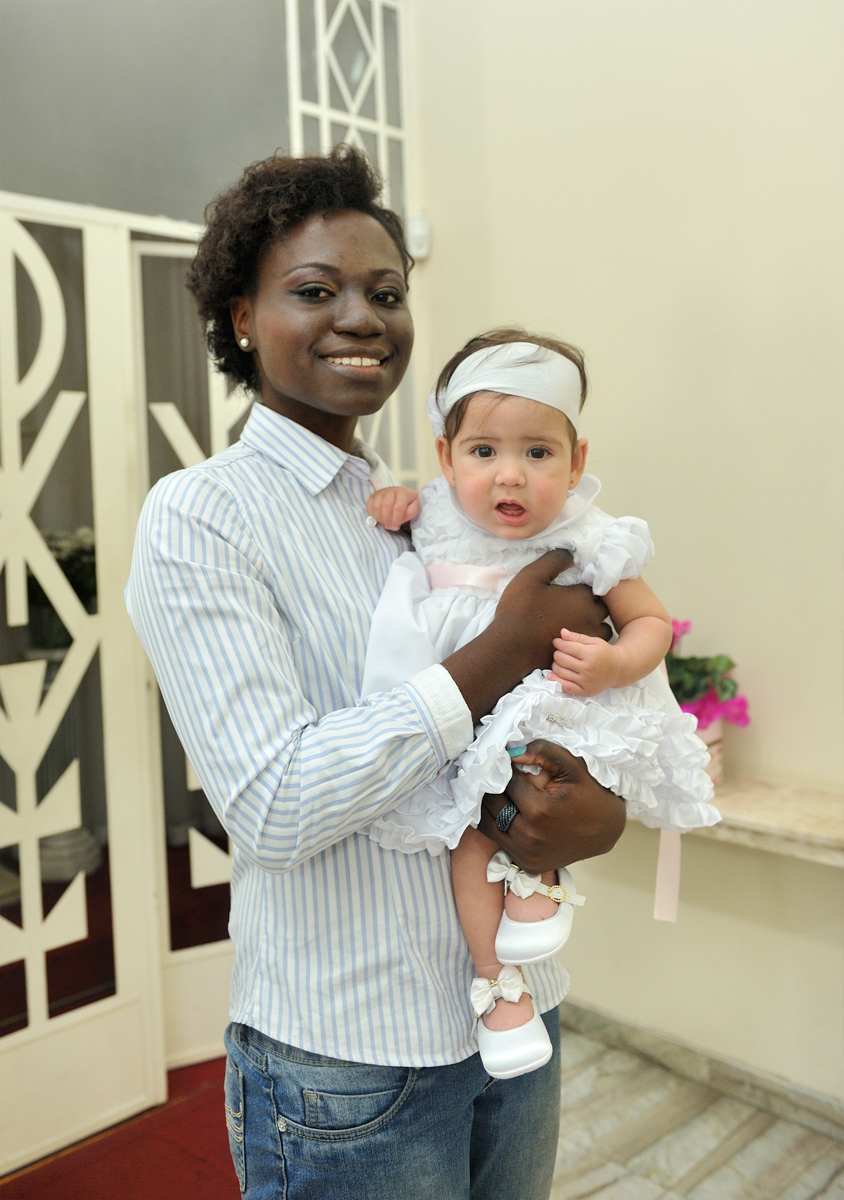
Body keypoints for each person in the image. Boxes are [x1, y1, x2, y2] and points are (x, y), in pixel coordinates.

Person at [125, 147, 626, 1200]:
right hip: (348, 1061)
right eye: (314, 291)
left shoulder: (430, 509)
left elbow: (514, 740)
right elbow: (272, 803)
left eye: (385, 293)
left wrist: (590, 816)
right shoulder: (203, 516)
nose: (361, 316)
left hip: (509, 1009)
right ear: (240, 316)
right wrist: (496, 654)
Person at [362, 330, 719, 1082]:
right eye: (484, 452)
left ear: (577, 460)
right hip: (466, 715)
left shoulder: (590, 535)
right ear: (446, 458)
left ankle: (538, 880)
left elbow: (653, 621)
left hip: (556, 715)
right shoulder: (430, 513)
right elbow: (404, 513)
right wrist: (394, 500)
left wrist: (617, 659)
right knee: (468, 834)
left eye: (538, 453)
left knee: (542, 794)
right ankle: (499, 989)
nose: (509, 476)